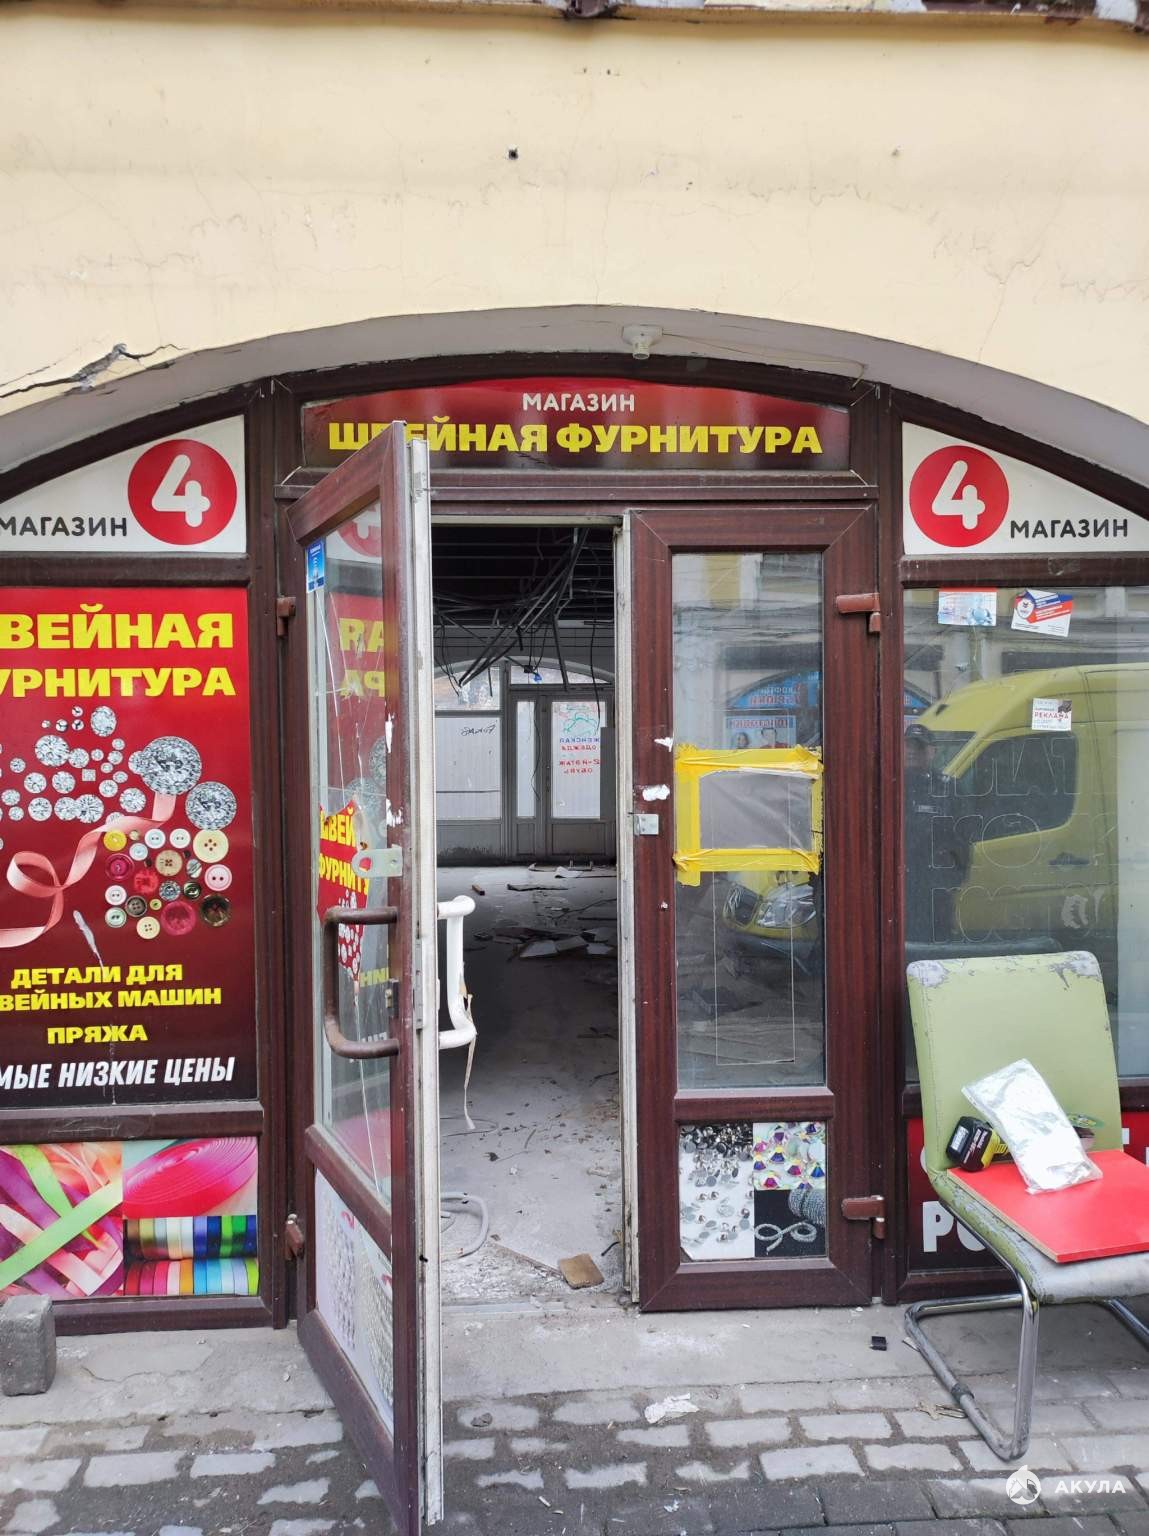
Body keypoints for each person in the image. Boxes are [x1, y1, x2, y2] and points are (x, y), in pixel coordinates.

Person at [904, 723, 970, 944]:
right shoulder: (888, 786)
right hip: (899, 886)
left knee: (938, 943)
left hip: (935, 888)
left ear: (932, 751)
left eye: (919, 747)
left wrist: (952, 881)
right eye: (908, 745)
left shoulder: (948, 789)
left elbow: (962, 840)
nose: (912, 751)